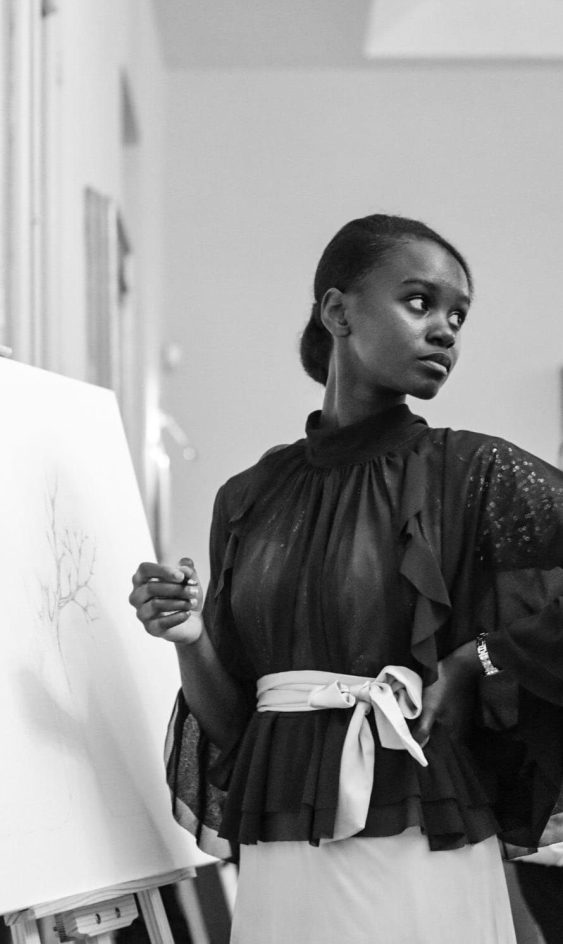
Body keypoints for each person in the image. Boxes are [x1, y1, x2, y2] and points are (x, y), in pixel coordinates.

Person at [129, 214, 563, 944]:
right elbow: (234, 727)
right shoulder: (248, 497)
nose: (445, 330)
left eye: (458, 316)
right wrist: (190, 637)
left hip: (422, 835)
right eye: (420, 302)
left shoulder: (473, 473)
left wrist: (478, 660)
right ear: (337, 311)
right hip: (280, 848)